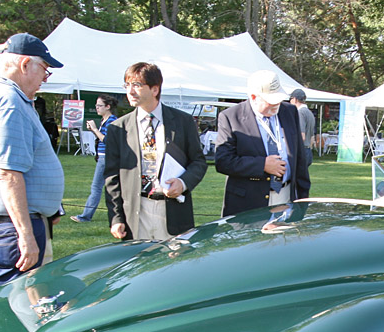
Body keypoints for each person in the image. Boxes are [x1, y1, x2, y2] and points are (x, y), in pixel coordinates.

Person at [0, 32, 64, 296]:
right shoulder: (9, 101)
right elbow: (8, 173)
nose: (45, 78)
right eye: (45, 70)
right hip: (11, 229)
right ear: (25, 64)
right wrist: (25, 234)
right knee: (19, 309)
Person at [103, 62, 207, 242]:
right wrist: (116, 218)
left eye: (137, 85)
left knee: (174, 267)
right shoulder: (118, 128)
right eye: (127, 85)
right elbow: (112, 178)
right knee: (138, 267)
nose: (130, 91)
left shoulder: (183, 121)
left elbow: (198, 162)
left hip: (173, 210)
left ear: (155, 89)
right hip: (136, 213)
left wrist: (183, 183)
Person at [215, 70, 311, 216]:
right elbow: (223, 161)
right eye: (271, 101)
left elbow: (300, 158)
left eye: (279, 99)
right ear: (254, 97)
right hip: (249, 203)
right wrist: (262, 165)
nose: (276, 105)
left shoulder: (290, 111)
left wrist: (303, 200)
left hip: (286, 196)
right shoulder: (230, 117)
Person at [71, 94, 118, 223]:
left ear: (108, 107)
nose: (97, 108)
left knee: (96, 188)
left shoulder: (112, 121)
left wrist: (95, 129)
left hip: (106, 158)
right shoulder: (105, 120)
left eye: (100, 105)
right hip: (104, 157)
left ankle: (86, 216)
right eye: (96, 105)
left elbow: (108, 141)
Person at [289, 88, 315, 166]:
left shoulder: (300, 112)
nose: (290, 101)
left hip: (301, 150)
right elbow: (312, 137)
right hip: (308, 150)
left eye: (290, 99)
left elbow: (301, 136)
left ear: (295, 99)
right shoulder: (310, 113)